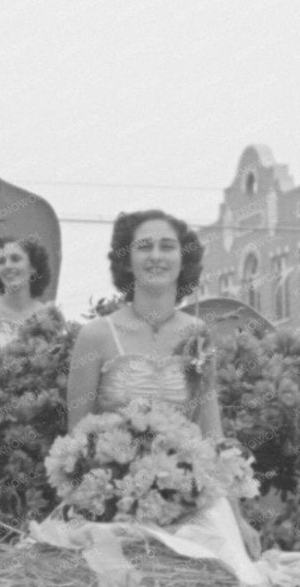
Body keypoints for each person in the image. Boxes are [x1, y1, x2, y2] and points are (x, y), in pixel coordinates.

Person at [65, 211, 260, 562]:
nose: (156, 255)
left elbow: (212, 437)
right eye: (144, 246)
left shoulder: (198, 335)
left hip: (189, 503)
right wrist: (91, 504)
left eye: (167, 246)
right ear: (127, 260)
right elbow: (75, 442)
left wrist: (238, 521)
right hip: (113, 504)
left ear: (183, 259)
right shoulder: (96, 336)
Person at [0, 237, 56, 349]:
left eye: (15, 259)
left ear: (33, 267)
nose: (7, 266)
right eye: (1, 262)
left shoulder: (47, 316)